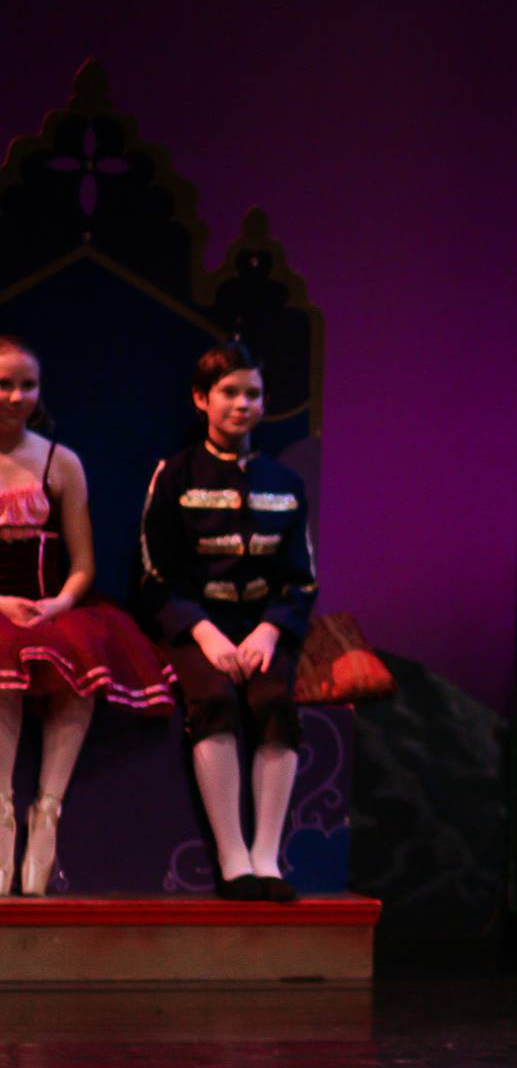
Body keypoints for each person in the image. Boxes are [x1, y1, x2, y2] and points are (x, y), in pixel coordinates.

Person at [137, 341, 317, 902]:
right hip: (198, 627)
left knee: (274, 701)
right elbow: (153, 574)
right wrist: (205, 634)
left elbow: (301, 579)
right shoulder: (174, 475)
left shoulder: (285, 482)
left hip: (261, 626)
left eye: (253, 394)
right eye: (230, 393)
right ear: (202, 399)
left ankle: (267, 856)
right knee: (214, 697)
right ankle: (233, 856)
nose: (243, 404)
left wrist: (269, 630)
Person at [0, 336, 177, 896]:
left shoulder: (61, 461)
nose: (16, 396)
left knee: (77, 669)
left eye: (27, 385)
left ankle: (46, 813)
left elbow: (83, 564)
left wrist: (59, 603)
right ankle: (0, 815)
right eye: (4, 384)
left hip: (51, 605)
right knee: (1, 677)